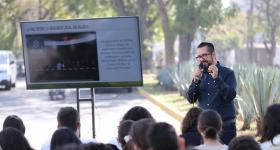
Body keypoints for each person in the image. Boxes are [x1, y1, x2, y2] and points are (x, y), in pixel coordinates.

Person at [186, 42, 237, 144]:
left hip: (225, 129)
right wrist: (195, 80)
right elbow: (191, 99)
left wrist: (217, 78)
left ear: (213, 54)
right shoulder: (199, 75)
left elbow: (230, 96)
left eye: (204, 55)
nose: (201, 59)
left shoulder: (228, 73)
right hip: (204, 130)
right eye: (199, 56)